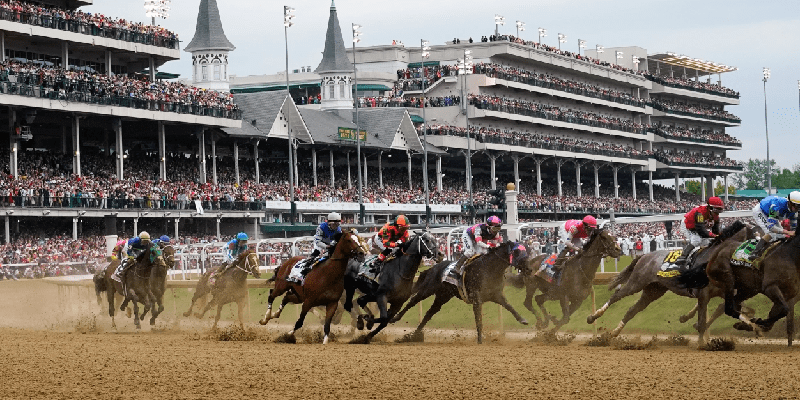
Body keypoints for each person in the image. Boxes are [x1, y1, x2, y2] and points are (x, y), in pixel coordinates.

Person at [748, 192, 800, 261]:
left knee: (782, 236)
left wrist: (793, 233)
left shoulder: (794, 212)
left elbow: (793, 228)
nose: (798, 209)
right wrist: (787, 232)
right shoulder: (776, 207)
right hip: (761, 211)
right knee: (772, 233)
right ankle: (755, 252)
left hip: (772, 215)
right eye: (797, 206)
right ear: (790, 203)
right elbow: (771, 228)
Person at [674, 197, 724, 266]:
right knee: (696, 240)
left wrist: (719, 237)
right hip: (688, 226)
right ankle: (682, 257)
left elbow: (715, 231)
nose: (717, 214)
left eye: (719, 212)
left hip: (698, 228)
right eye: (716, 212)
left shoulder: (716, 217)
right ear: (710, 208)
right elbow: (701, 231)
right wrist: (713, 236)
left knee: (707, 242)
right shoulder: (700, 213)